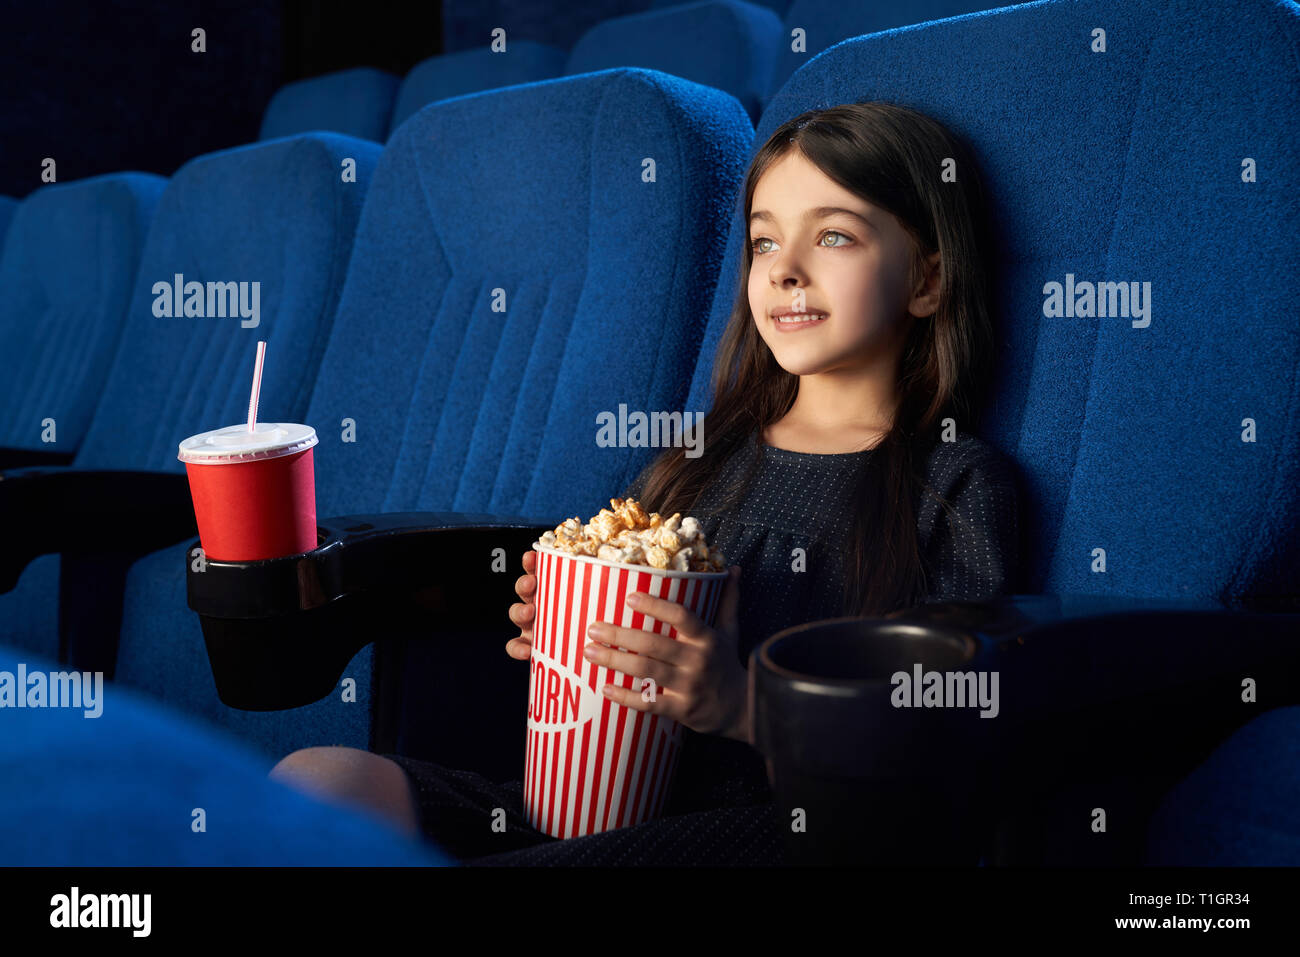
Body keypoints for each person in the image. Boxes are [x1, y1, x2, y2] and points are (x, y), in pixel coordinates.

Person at [268, 101, 1021, 865]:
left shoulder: (954, 483)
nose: (786, 267)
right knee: (314, 782)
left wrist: (740, 704)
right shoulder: (702, 459)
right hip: (607, 799)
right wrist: (570, 637)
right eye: (764, 241)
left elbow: (940, 739)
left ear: (927, 279)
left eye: (833, 235)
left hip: (779, 827)